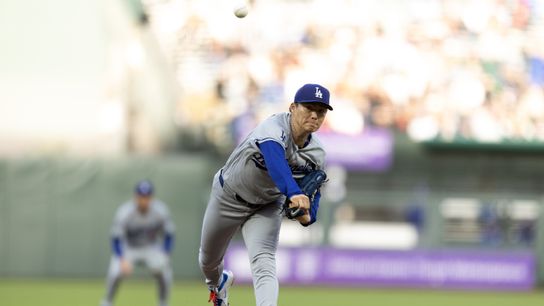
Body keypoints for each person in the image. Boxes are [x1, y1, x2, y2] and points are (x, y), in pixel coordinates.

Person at [199, 83, 332, 306]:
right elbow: (275, 161)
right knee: (208, 260)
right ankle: (218, 284)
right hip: (229, 196)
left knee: (264, 261)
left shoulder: (317, 153)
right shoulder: (273, 127)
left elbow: (313, 197)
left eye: (320, 111)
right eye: (308, 107)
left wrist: (308, 216)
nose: (314, 115)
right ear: (292, 107)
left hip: (267, 205)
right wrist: (294, 192)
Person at [101, 180, 175, 306]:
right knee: (115, 272)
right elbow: (116, 238)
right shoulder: (125, 212)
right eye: (141, 197)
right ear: (135, 197)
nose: (144, 200)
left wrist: (165, 254)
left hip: (151, 248)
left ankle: (163, 303)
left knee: (165, 272)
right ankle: (107, 302)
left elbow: (169, 234)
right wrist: (122, 258)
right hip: (129, 247)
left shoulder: (160, 211)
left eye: (147, 197)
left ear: (151, 197)